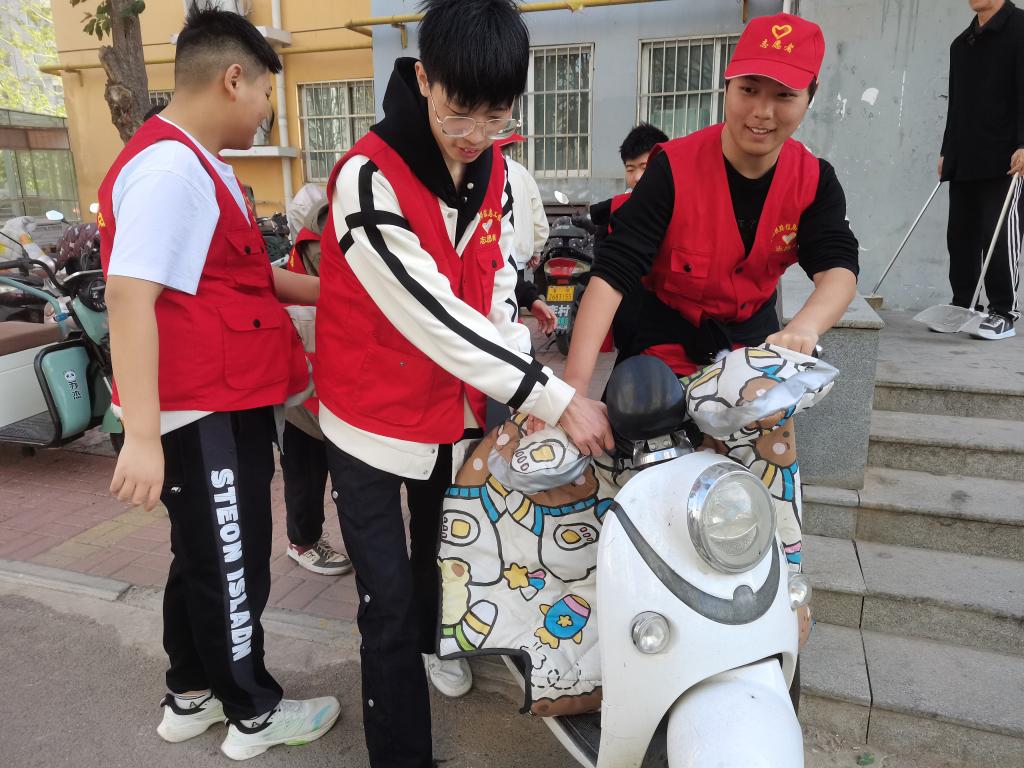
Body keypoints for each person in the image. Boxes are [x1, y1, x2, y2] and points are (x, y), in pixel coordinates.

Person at [313, 0, 613, 764]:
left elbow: (494, 287)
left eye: (496, 115)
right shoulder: (366, 180)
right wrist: (550, 395)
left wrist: (520, 377)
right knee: (384, 604)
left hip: (450, 415)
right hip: (368, 422)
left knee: (439, 562)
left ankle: (435, 646)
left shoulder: (499, 175)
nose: (475, 133)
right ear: (424, 79)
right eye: (458, 111)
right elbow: (433, 316)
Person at [99, 7, 339, 760]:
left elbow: (244, 278)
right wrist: (142, 436)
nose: (267, 109)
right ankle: (254, 715)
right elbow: (127, 295)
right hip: (201, 409)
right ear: (234, 79)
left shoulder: (198, 164)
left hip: (218, 401)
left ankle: (191, 694)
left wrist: (341, 294)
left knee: (201, 557)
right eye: (267, 91)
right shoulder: (171, 169)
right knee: (233, 560)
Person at [563, 12, 859, 572]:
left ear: (810, 96)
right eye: (749, 90)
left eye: (783, 95)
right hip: (661, 350)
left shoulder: (814, 180)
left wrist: (804, 327)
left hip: (748, 353)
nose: (762, 111)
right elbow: (614, 273)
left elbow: (839, 267)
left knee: (759, 496)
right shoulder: (673, 168)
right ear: (727, 85)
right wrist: (574, 389)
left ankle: (778, 595)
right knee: (646, 495)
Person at [939, 0, 1024, 340]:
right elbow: (956, 103)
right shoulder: (962, 44)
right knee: (960, 235)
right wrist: (947, 150)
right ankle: (964, 304)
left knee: (998, 235)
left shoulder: (1020, 29)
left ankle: (1004, 312)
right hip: (965, 155)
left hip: (1007, 158)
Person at [279, 187, 352, 576]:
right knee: (308, 472)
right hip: (315, 385)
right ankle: (303, 542)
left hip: (311, 382)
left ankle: (306, 538)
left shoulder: (316, 240)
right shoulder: (326, 245)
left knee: (308, 469)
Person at [496, 133, 556, 333]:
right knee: (513, 304)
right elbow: (538, 215)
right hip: (517, 254)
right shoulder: (520, 172)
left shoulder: (481, 171)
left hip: (493, 253)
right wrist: (536, 249)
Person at [590, 122, 669, 240]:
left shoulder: (678, 209)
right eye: (630, 169)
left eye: (645, 167)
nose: (637, 177)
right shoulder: (615, 211)